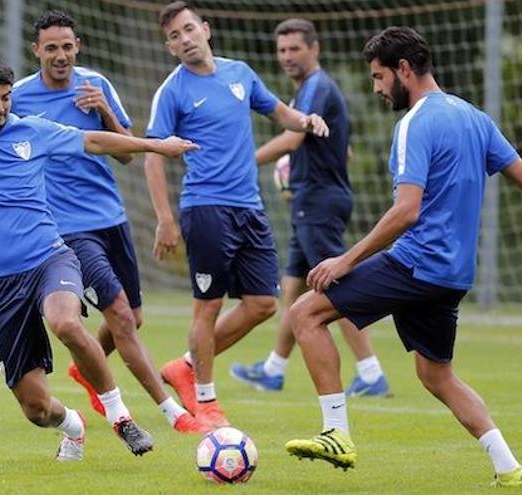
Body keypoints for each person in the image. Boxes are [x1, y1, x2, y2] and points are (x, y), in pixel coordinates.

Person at [284, 26, 522, 487]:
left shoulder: (414, 123)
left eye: (378, 77)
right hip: (452, 274)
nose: (375, 88)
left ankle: (337, 433)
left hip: (415, 262)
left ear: (404, 70)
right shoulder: (475, 118)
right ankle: (510, 469)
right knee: (436, 375)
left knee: (304, 313)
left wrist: (345, 260)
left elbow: (406, 211)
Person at [0, 1, 197, 462]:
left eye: (5, 97)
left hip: (49, 256)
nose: (1, 106)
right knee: (35, 408)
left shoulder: (32, 130)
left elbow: (96, 141)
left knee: (65, 320)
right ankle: (73, 424)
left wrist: (155, 145)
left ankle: (121, 416)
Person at [144, 1, 330, 430]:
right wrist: (165, 218)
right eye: (174, 36)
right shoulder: (173, 90)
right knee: (207, 307)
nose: (184, 39)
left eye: (189, 29)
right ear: (170, 48)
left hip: (250, 208)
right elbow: (153, 155)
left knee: (264, 303)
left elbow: (278, 111)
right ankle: (206, 402)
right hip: (206, 208)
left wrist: (306, 120)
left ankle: (186, 365)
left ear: (205, 30)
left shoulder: (240, 74)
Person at [230, 18, 391, 397]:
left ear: (314, 49)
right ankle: (273, 369)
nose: (287, 57)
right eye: (282, 50)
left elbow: (291, 139)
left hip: (319, 202)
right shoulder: (310, 91)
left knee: (336, 287)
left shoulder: (317, 87)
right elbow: (341, 146)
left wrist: (242, 162)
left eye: (295, 49)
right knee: (294, 290)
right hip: (311, 200)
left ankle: (370, 373)